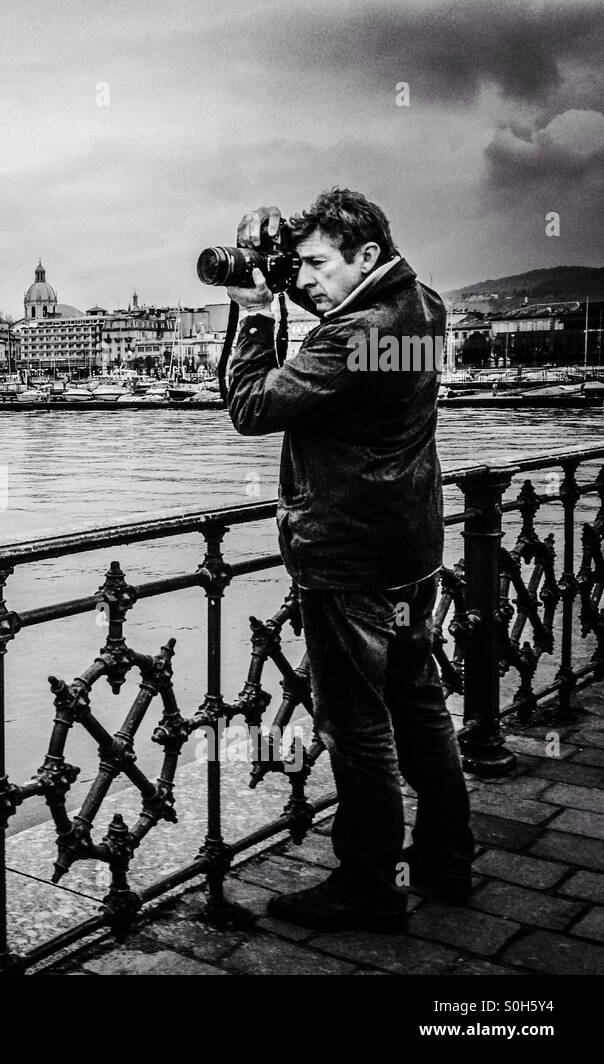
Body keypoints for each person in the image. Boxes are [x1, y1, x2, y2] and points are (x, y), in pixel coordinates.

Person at [223, 188, 475, 933]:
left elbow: (251, 407)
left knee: (357, 724)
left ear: (366, 256)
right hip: (410, 549)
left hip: (346, 557)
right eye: (295, 266)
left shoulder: (352, 334)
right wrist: (295, 284)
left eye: (316, 264)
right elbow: (350, 374)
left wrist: (258, 311)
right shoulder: (422, 305)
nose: (305, 280)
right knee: (420, 702)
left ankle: (368, 884)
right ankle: (446, 856)